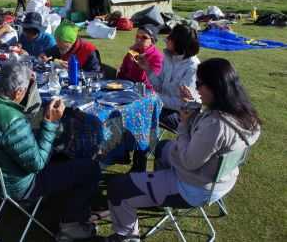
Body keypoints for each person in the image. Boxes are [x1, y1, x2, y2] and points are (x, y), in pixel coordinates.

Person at [105, 58, 261, 242]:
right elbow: (207, 138)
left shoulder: (216, 125)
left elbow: (188, 161)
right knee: (162, 147)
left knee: (117, 187)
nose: (197, 88)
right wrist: (193, 105)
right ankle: (156, 195)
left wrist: (185, 125)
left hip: (193, 187)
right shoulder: (245, 115)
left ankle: (127, 236)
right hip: (219, 178)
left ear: (215, 87)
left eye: (199, 84)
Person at [0, 62, 101, 241]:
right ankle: (72, 226)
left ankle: (59, 203)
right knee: (90, 168)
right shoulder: (11, 121)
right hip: (18, 186)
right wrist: (50, 123)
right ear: (19, 92)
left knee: (62, 153)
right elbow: (38, 164)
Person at [137, 24, 200, 130]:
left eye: (170, 38)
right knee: (137, 103)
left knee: (142, 109)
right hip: (164, 105)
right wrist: (147, 69)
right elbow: (159, 85)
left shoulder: (193, 67)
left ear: (179, 43)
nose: (166, 39)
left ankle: (143, 143)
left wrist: (153, 98)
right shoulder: (169, 58)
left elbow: (182, 103)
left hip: (181, 115)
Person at [117, 24, 163, 89]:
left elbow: (151, 85)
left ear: (152, 41)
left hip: (145, 93)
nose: (138, 40)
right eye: (137, 36)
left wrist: (138, 65)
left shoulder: (157, 57)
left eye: (144, 37)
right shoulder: (134, 51)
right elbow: (122, 72)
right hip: (126, 88)